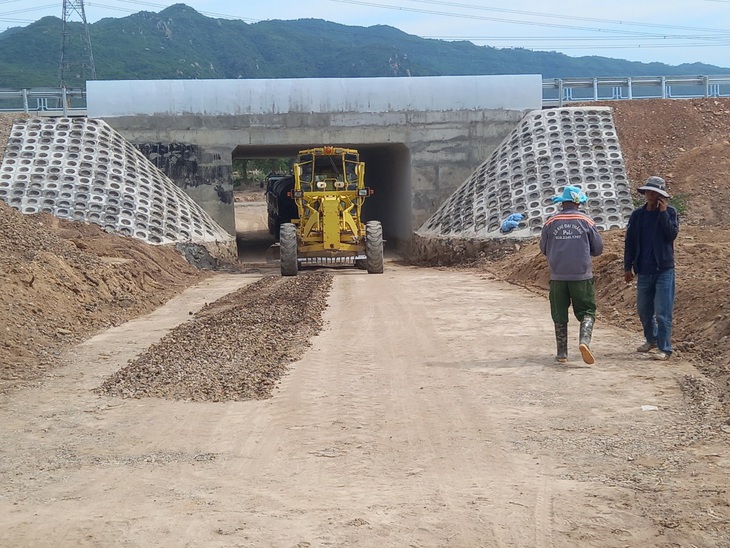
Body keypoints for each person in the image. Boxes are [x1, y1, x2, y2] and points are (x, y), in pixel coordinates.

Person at [540, 185, 604, 364]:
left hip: (557, 277)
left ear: (563, 202)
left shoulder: (550, 222)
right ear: (578, 202)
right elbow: (598, 249)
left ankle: (562, 354)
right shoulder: (587, 221)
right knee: (587, 311)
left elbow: (543, 248)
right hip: (581, 276)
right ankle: (584, 342)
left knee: (559, 313)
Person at [623, 176, 680, 361]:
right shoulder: (637, 216)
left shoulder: (670, 213)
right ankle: (651, 339)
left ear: (661, 196)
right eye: (648, 191)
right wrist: (627, 266)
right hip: (644, 270)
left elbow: (671, 235)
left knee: (663, 312)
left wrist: (663, 214)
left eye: (654, 192)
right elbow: (630, 242)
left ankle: (665, 348)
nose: (650, 195)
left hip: (664, 270)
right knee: (643, 309)